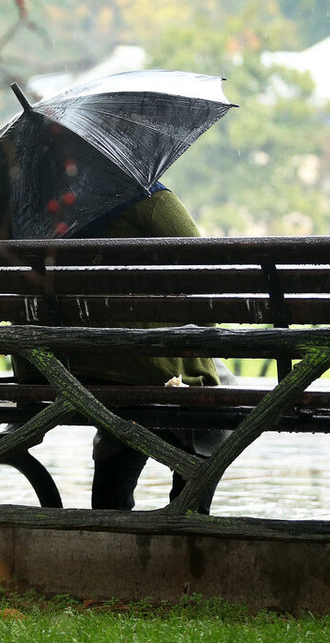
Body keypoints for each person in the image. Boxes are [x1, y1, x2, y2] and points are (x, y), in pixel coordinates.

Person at [66, 183, 227, 512]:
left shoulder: (45, 212)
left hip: (67, 367)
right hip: (143, 361)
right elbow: (204, 270)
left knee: (123, 411)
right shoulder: (144, 196)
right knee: (220, 402)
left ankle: (111, 515)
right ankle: (189, 519)